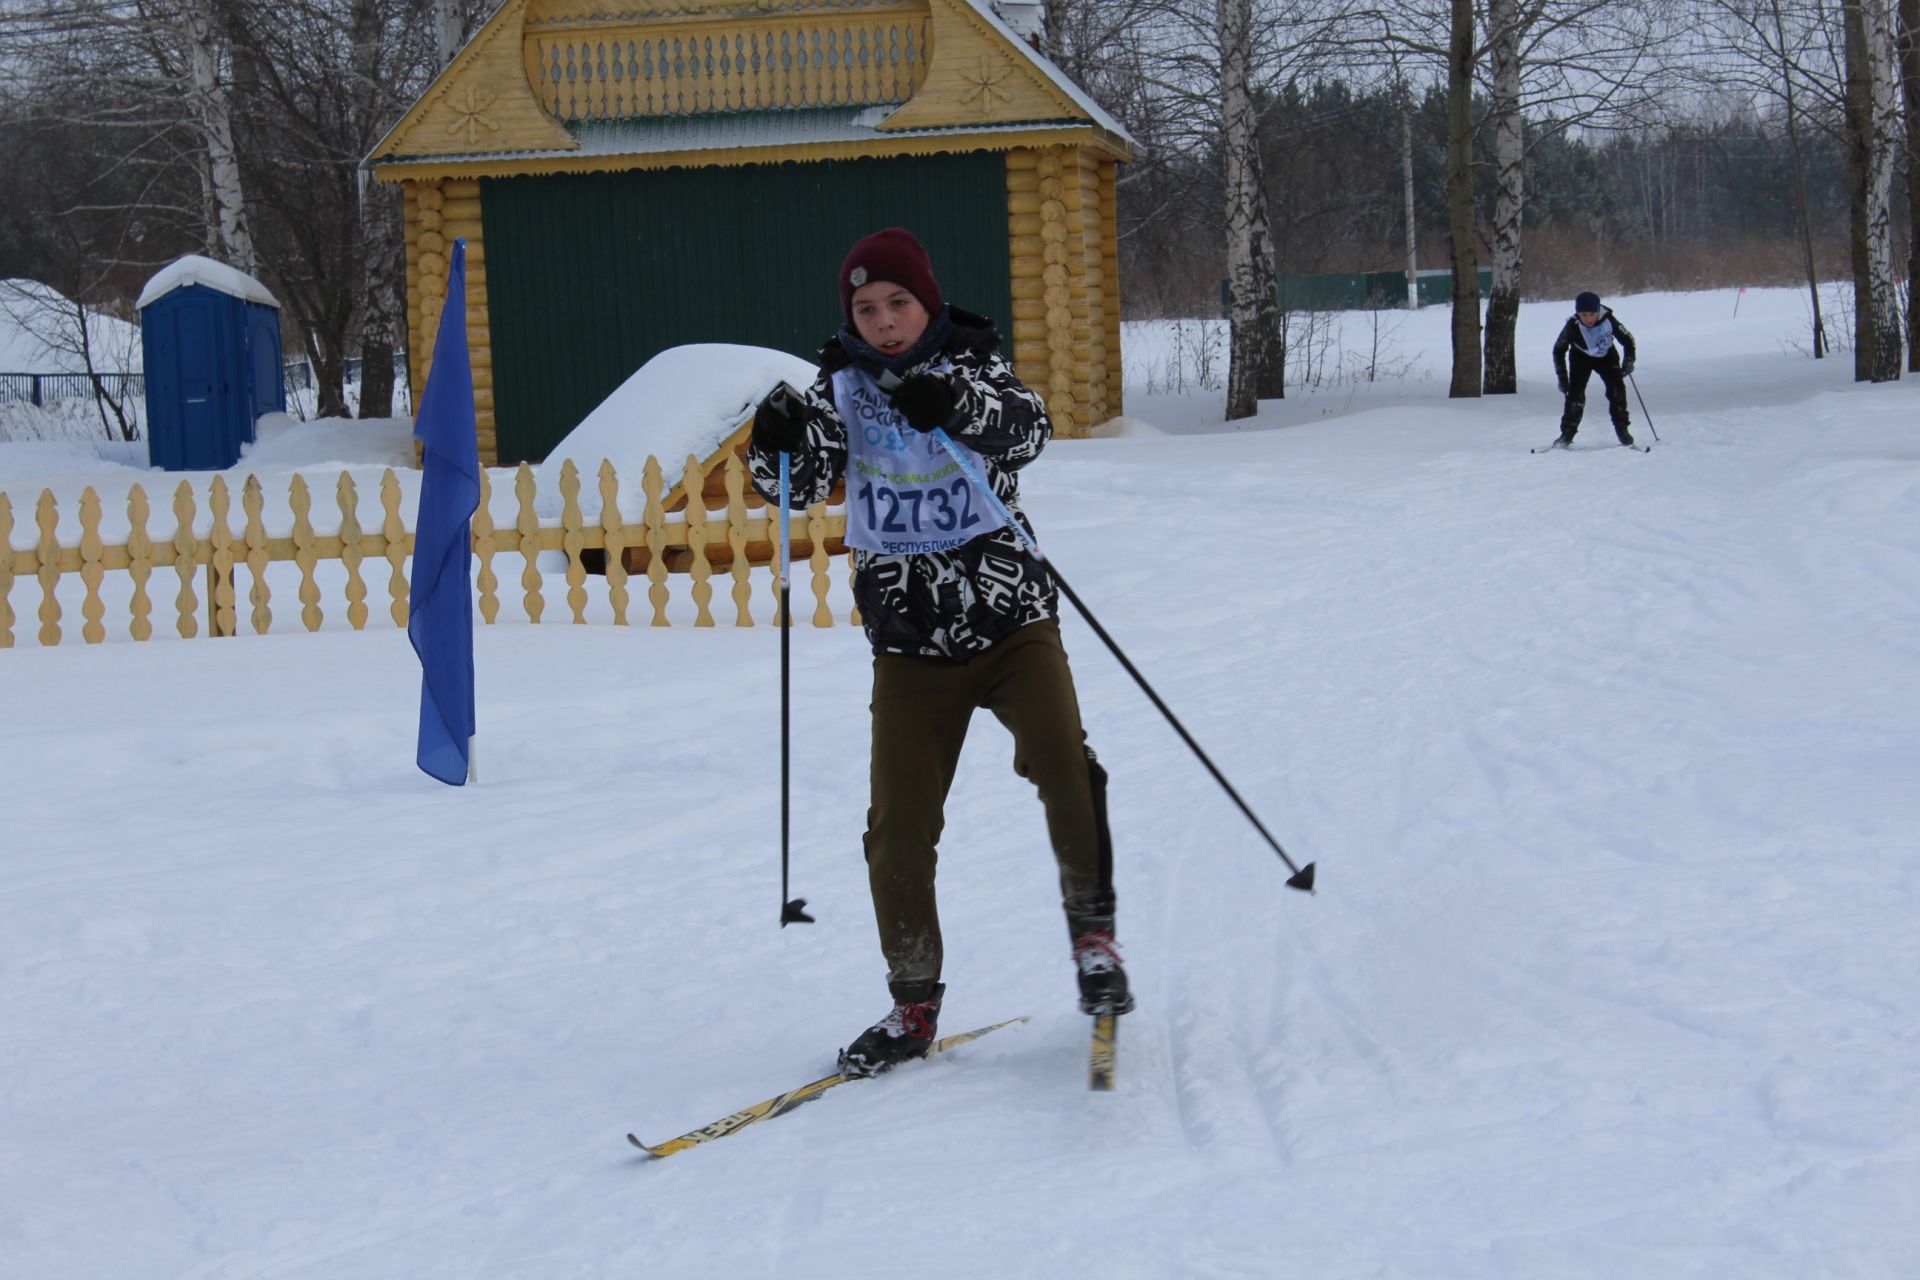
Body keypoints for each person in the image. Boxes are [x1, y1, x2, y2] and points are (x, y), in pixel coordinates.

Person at [746, 227, 1132, 1077]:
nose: (884, 322)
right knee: (899, 828)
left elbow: (1028, 430)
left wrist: (951, 406)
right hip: (910, 643)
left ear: (927, 303)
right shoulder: (837, 389)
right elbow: (792, 484)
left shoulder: (974, 366)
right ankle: (912, 1001)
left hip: (1011, 623)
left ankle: (1094, 942)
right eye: (866, 309)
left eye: (898, 304)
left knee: (1064, 765)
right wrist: (771, 441)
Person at [1552, 290, 1638, 447]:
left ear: (1597, 311)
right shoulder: (1572, 325)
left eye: (1591, 314)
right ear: (1578, 314)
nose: (1588, 319)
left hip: (1606, 356)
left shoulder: (1608, 319)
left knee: (1617, 390)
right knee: (1575, 396)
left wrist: (1629, 360)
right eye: (1583, 315)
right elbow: (1558, 350)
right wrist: (1563, 379)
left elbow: (1628, 339)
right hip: (1580, 357)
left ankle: (1622, 431)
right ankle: (1567, 434)